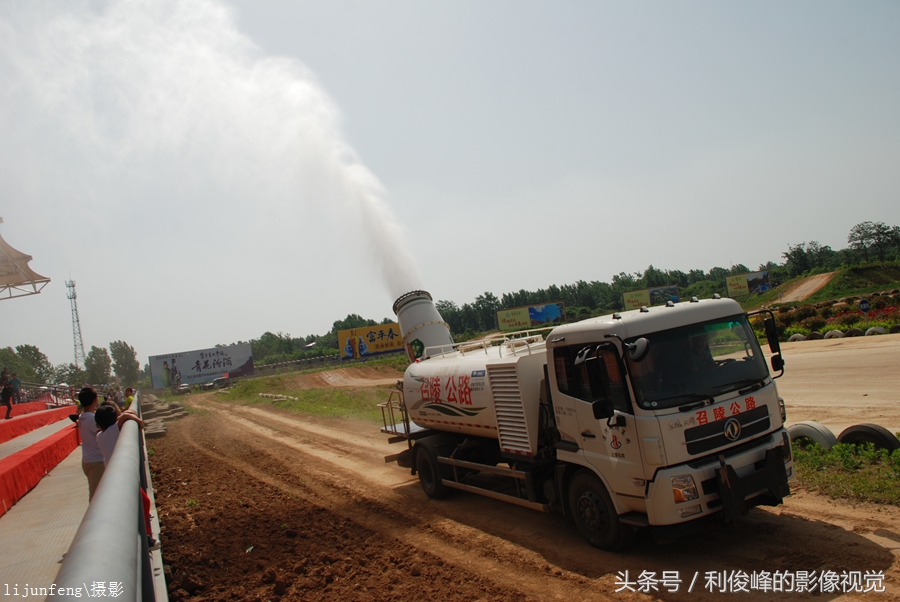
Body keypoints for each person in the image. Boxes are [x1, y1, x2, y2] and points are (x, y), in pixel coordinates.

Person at [77, 387, 106, 501]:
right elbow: (101, 433)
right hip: (96, 461)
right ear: (94, 400)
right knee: (96, 495)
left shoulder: (82, 417)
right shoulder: (91, 418)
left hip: (88, 459)